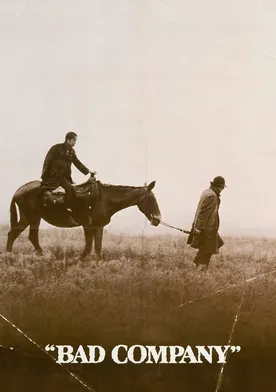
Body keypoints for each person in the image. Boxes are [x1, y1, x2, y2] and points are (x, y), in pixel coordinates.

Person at [41, 131, 96, 226]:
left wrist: (88, 171)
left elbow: (77, 163)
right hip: (55, 177)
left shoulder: (71, 151)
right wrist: (46, 176)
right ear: (68, 139)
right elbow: (47, 161)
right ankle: (68, 210)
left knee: (75, 189)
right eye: (74, 140)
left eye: (75, 140)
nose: (75, 142)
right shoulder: (56, 148)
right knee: (70, 189)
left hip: (65, 177)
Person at [187, 176, 226, 270]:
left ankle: (199, 265)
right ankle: (200, 267)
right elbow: (204, 213)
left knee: (214, 245)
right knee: (208, 249)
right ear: (218, 186)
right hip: (207, 229)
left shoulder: (207, 192)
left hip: (207, 227)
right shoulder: (212, 196)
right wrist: (199, 228)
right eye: (222, 187)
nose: (222, 190)